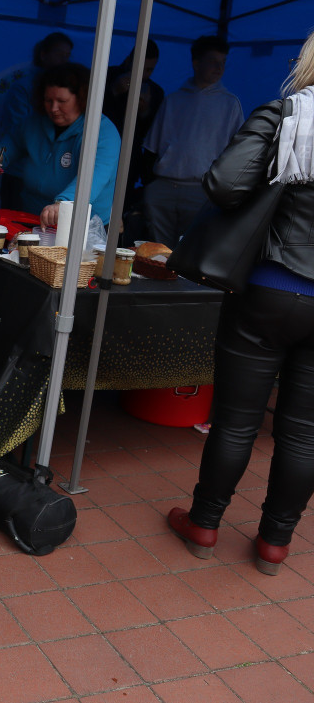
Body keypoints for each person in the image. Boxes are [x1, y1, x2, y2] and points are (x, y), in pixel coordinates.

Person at [167, 31, 314, 577]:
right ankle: (275, 543)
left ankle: (204, 524)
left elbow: (224, 185)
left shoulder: (285, 114)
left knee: (235, 422)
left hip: (272, 288)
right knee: (304, 432)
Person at [0, 62, 121, 227]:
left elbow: (94, 176)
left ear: (81, 99)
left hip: (83, 226)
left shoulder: (103, 132)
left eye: (62, 101)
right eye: (48, 100)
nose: (54, 108)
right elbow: (13, 142)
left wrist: (63, 203)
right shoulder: (34, 122)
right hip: (32, 216)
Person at [141, 35, 244, 247]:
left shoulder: (230, 104)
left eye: (223, 62)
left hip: (202, 189)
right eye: (213, 61)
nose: (219, 67)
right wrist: (149, 186)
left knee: (192, 250)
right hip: (164, 187)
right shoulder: (174, 100)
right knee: (158, 251)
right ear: (196, 63)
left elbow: (238, 154)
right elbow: (151, 148)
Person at [0, 32, 74, 209]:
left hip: (50, 176)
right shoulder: (24, 87)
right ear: (44, 54)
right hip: (21, 174)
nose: (64, 60)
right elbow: (17, 131)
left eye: (67, 56)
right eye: (60, 54)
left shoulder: (68, 91)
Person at [102, 40, 164, 196]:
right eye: (140, 68)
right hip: (98, 151)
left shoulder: (155, 92)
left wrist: (144, 112)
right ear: (129, 60)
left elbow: (153, 137)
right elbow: (87, 112)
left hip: (128, 160)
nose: (143, 74)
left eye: (149, 70)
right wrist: (113, 91)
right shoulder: (105, 75)